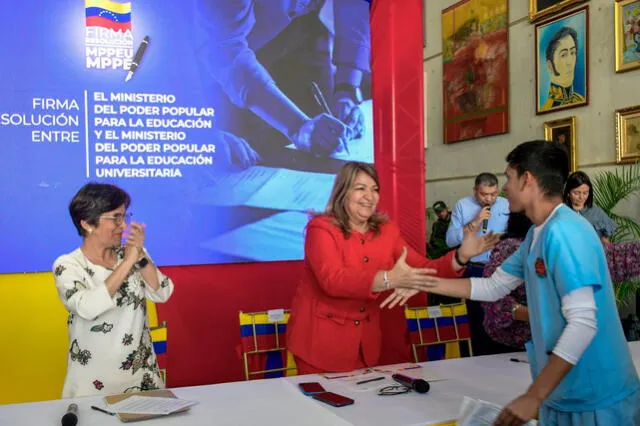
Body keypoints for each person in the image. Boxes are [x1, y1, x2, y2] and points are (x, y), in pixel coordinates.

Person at [384, 141, 639, 426]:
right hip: (564, 394)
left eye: (508, 177)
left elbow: (583, 323)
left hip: (594, 396)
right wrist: (419, 281)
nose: (505, 188)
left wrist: (534, 395)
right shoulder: (538, 234)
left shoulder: (566, 231)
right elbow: (492, 287)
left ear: (527, 179)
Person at [285, 162, 499, 374]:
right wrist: (389, 278)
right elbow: (333, 280)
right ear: (343, 192)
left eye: (374, 189)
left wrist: (461, 256)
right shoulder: (321, 228)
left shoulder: (387, 230)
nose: (370, 196)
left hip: (373, 344)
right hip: (322, 346)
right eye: (360, 188)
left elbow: (423, 267)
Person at [194, 0, 370, 167]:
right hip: (198, 56)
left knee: (321, 141)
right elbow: (225, 51)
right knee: (234, 154)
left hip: (300, 32)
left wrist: (346, 90)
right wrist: (297, 126)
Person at [53, 183, 174, 398]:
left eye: (125, 217)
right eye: (116, 218)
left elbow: (162, 292)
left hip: (143, 378)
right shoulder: (68, 265)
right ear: (88, 223)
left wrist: (141, 258)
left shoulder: (132, 253)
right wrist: (127, 263)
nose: (123, 225)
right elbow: (87, 307)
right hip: (93, 384)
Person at [446, 172, 509, 355]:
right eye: (484, 194)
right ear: (475, 191)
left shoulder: (506, 205)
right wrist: (475, 222)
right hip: (476, 270)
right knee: (479, 322)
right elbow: (450, 240)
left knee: (503, 318)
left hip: (501, 270)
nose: (489, 199)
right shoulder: (463, 206)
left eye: (493, 194)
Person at [481, 212, 533, 350]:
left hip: (542, 339)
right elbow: (493, 295)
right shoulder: (511, 247)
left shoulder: (551, 245)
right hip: (511, 339)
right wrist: (537, 315)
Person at [563, 171, 616, 244]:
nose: (581, 197)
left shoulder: (597, 213)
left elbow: (605, 242)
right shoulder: (561, 212)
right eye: (576, 193)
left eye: (585, 193)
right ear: (568, 193)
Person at [541, 27, 585, 111]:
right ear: (550, 66)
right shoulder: (547, 108)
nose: (570, 62)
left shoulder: (581, 99)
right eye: (563, 55)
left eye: (572, 53)